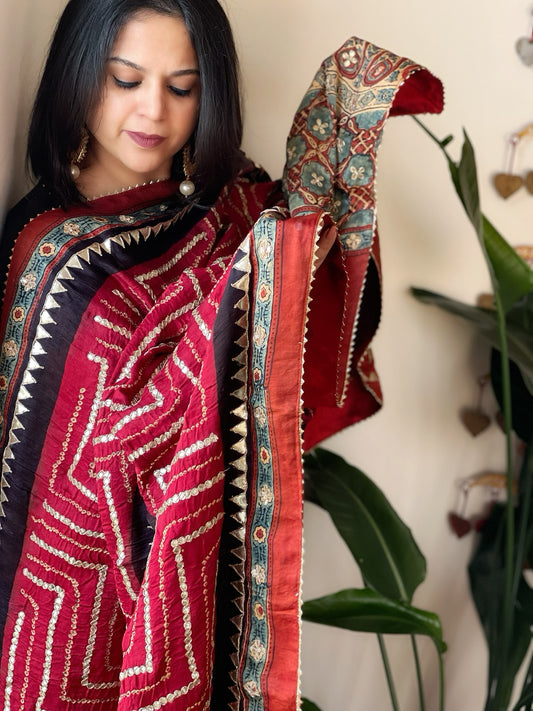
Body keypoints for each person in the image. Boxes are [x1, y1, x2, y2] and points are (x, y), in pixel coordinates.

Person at [0, 0, 443, 708]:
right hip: (83, 601)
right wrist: (255, 279)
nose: (153, 111)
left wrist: (290, 248)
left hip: (205, 560)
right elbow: (93, 458)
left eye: (182, 87)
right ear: (78, 75)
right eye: (124, 79)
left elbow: (278, 268)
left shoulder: (222, 196)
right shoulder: (54, 258)